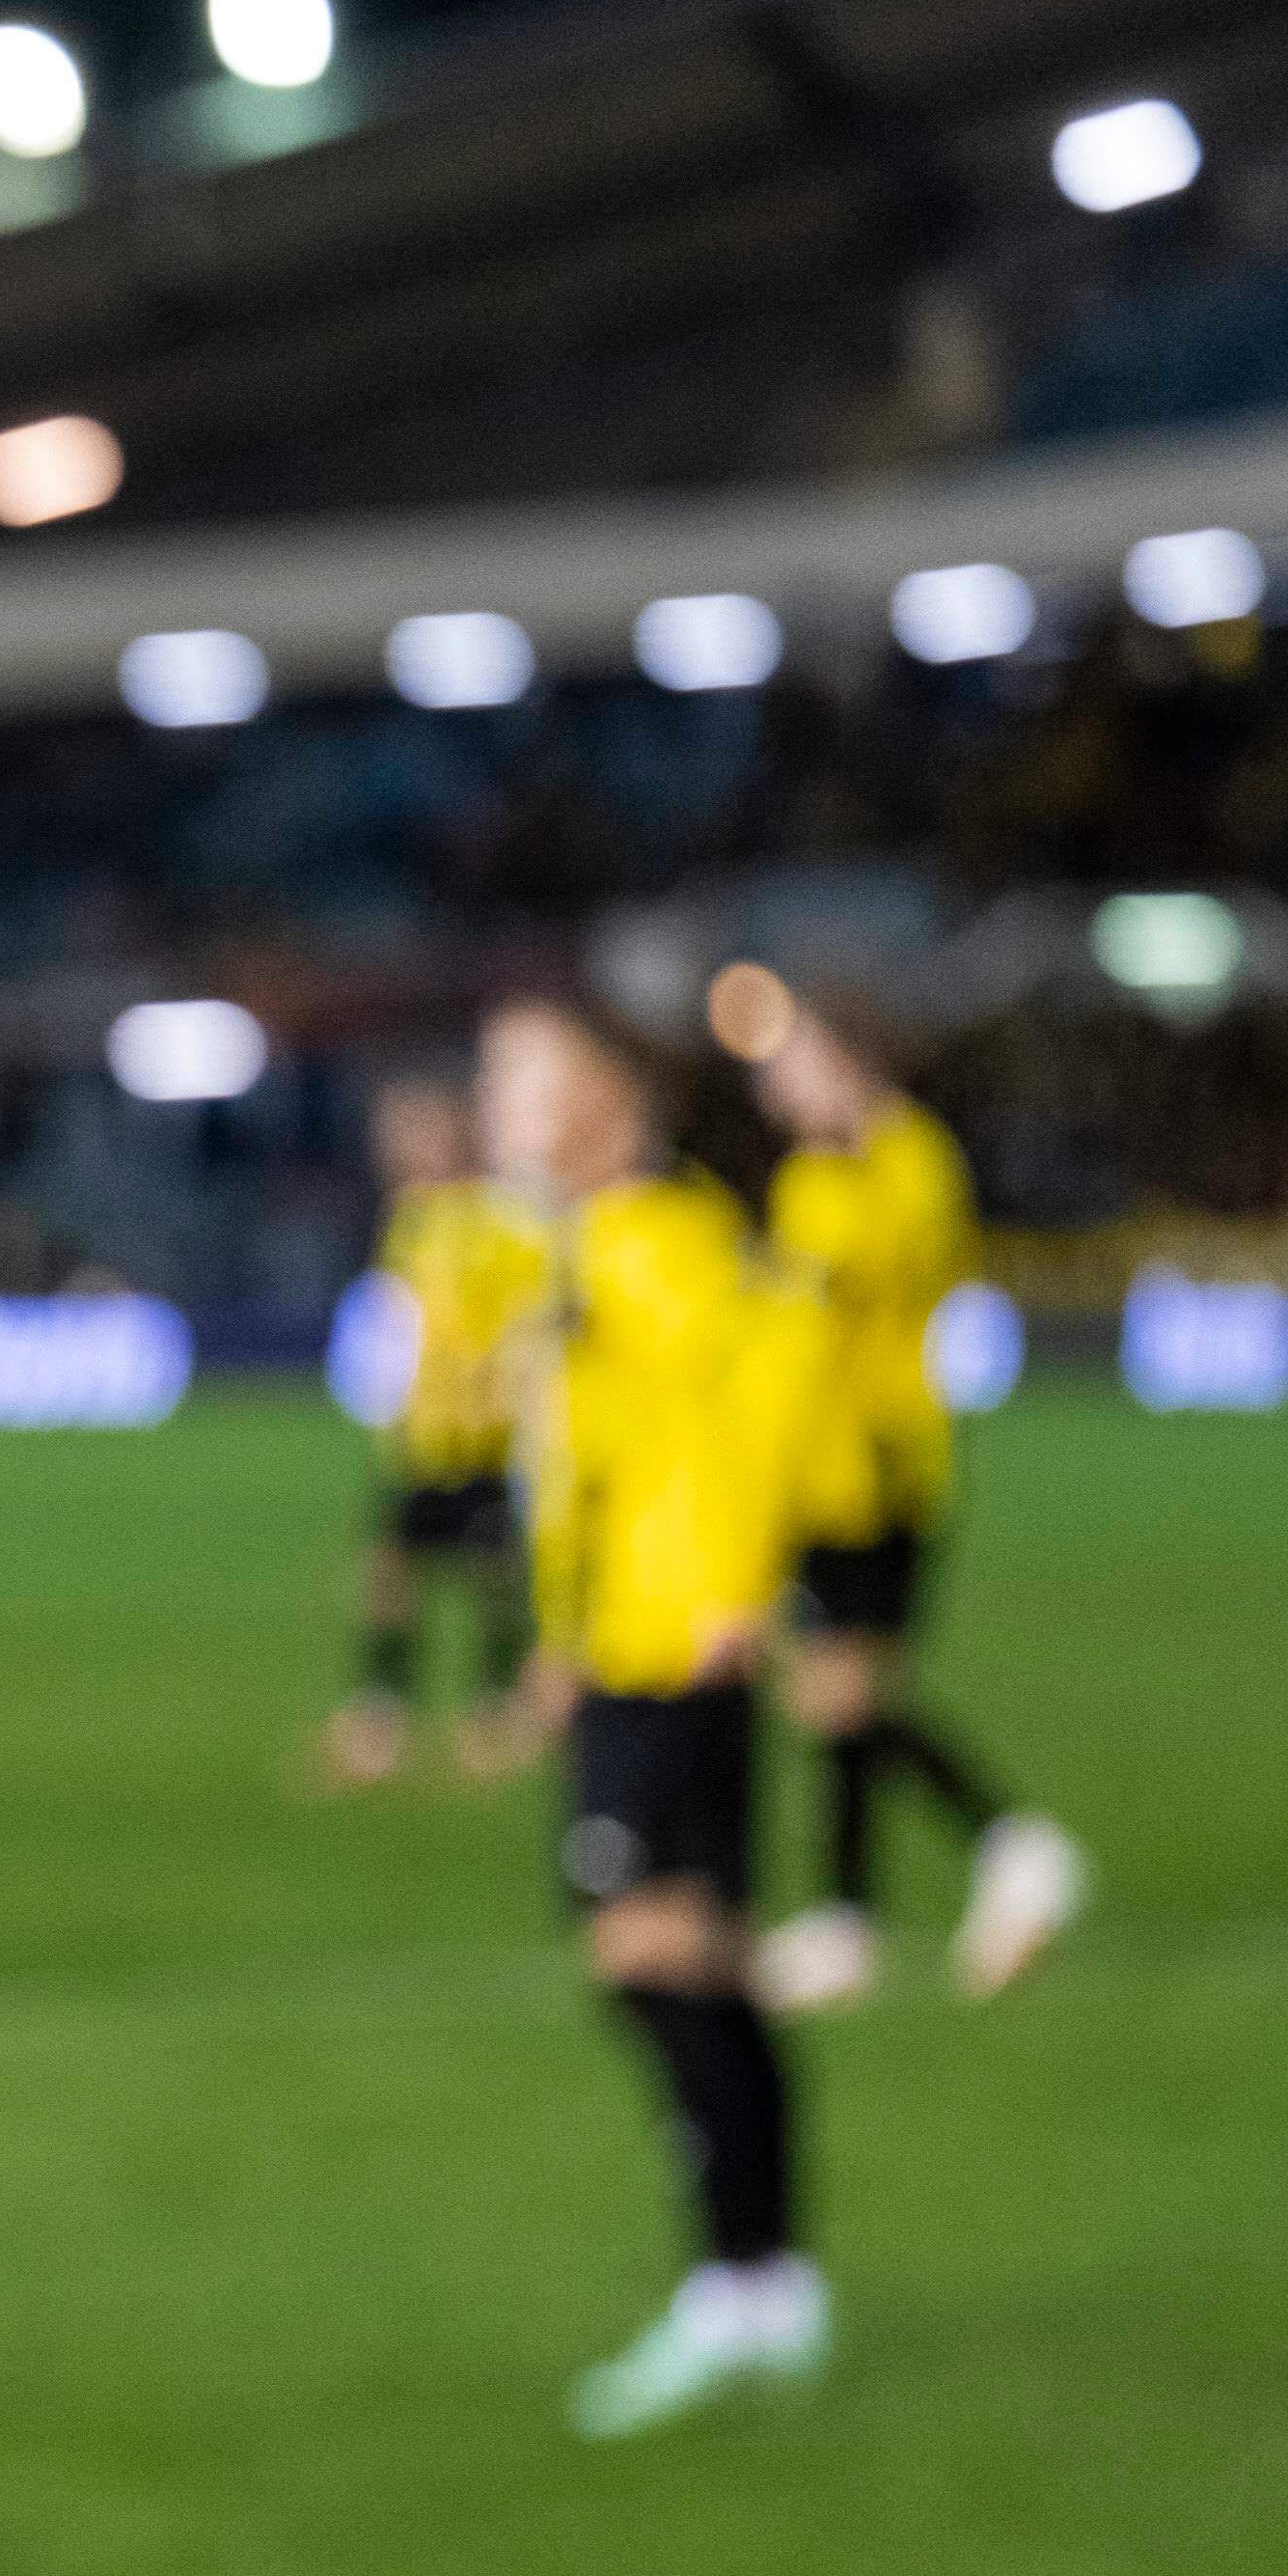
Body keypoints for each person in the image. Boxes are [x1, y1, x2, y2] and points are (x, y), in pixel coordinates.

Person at [482, 999, 826, 2438]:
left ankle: (735, 2280)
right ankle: (763, 2278)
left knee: (646, 1951)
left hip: (675, 1650)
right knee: (693, 1959)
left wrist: (737, 1586)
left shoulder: (660, 1236)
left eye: (531, 1078)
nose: (505, 1105)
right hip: (619, 1645)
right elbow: (595, 1469)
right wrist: (554, 1641)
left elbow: (780, 1366)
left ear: (613, 1101)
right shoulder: (587, 1241)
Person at [712, 968, 1086, 2010]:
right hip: (813, 1478)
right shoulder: (813, 1176)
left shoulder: (906, 1163)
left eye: (791, 1059)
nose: (773, 1084)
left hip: (873, 1473)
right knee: (841, 1705)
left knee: (843, 1696)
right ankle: (851, 1922)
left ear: (846, 1055)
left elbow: (854, 1293)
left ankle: (1010, 1843)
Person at [322, 1071, 548, 1787]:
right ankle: (384, 1706)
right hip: (424, 1439)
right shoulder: (411, 1218)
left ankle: (494, 1708)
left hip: (485, 1439)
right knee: (390, 1574)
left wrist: (504, 1387)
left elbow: (527, 1310)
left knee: (496, 1576)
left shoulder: (501, 1216)